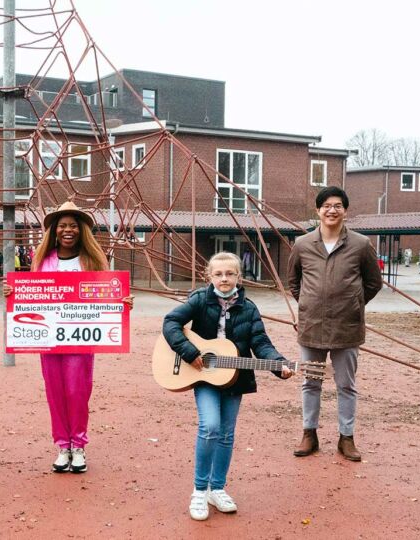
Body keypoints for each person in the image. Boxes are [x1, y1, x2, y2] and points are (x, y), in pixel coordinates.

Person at [2, 201, 132, 473]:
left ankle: (79, 445)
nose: (68, 230)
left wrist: (123, 302)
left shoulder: (92, 261)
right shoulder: (42, 260)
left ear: (81, 230)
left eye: (73, 225)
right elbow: (31, 295)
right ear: (54, 230)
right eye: (62, 226)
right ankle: (62, 446)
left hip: (80, 340)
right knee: (55, 393)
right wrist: (13, 294)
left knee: (77, 391)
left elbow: (108, 295)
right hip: (48, 339)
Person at [163, 252, 293, 521]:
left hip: (236, 378)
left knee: (225, 434)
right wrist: (188, 351)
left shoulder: (249, 308)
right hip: (203, 374)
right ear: (209, 276)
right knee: (209, 426)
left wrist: (278, 363)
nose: (224, 279)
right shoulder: (199, 299)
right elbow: (170, 322)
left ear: (238, 276)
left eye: (230, 274)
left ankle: (217, 488)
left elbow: (261, 342)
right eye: (218, 274)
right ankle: (199, 490)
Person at [287, 186, 383, 461]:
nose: (332, 210)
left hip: (347, 329)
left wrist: (352, 304)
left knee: (346, 385)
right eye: (326, 205)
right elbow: (294, 282)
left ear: (345, 211)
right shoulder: (303, 244)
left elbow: (373, 282)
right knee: (311, 382)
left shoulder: (361, 244)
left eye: (338, 205)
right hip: (312, 328)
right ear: (318, 210)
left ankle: (346, 438)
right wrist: (308, 302)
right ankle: (309, 434)